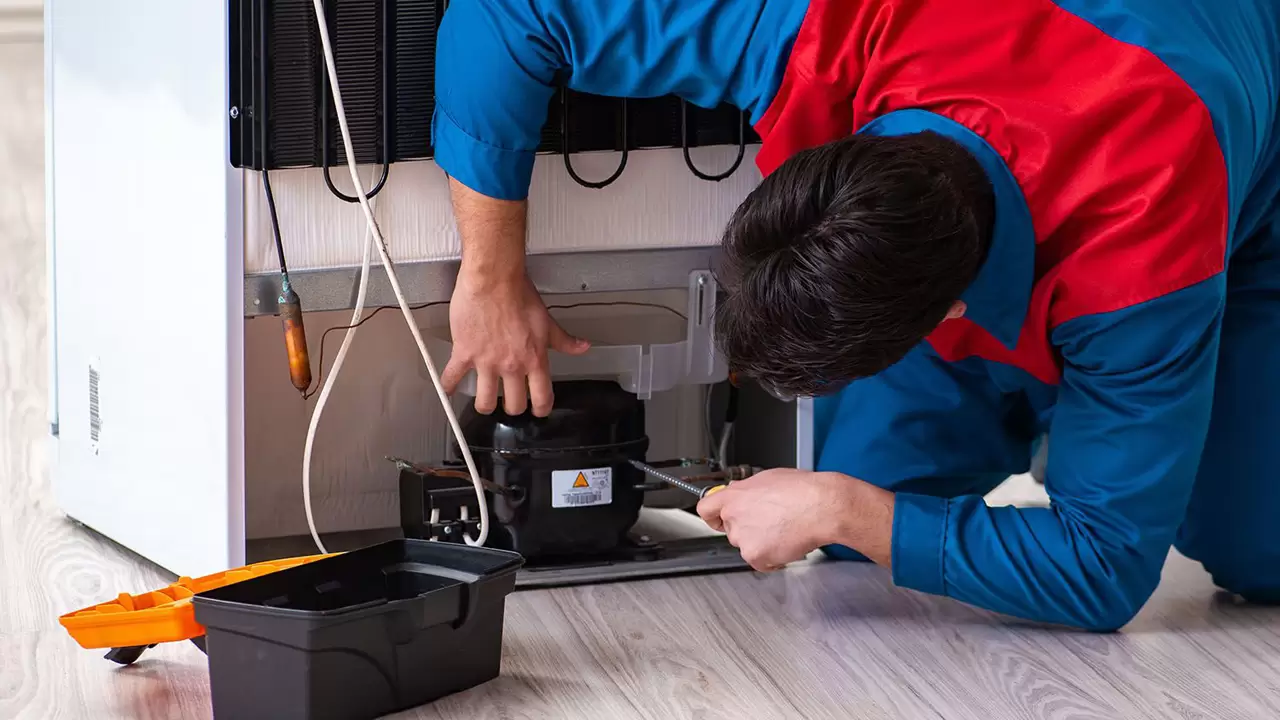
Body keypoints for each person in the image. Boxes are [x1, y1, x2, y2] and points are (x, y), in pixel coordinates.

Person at [431, 0, 1280, 631]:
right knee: (859, 548)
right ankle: (1094, 435)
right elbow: (511, 10)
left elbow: (1105, 571)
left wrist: (845, 505)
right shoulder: (834, 27)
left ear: (946, 315)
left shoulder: (1144, 256)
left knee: (1256, 555)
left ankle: (1090, 425)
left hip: (1237, 201)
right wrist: (491, 273)